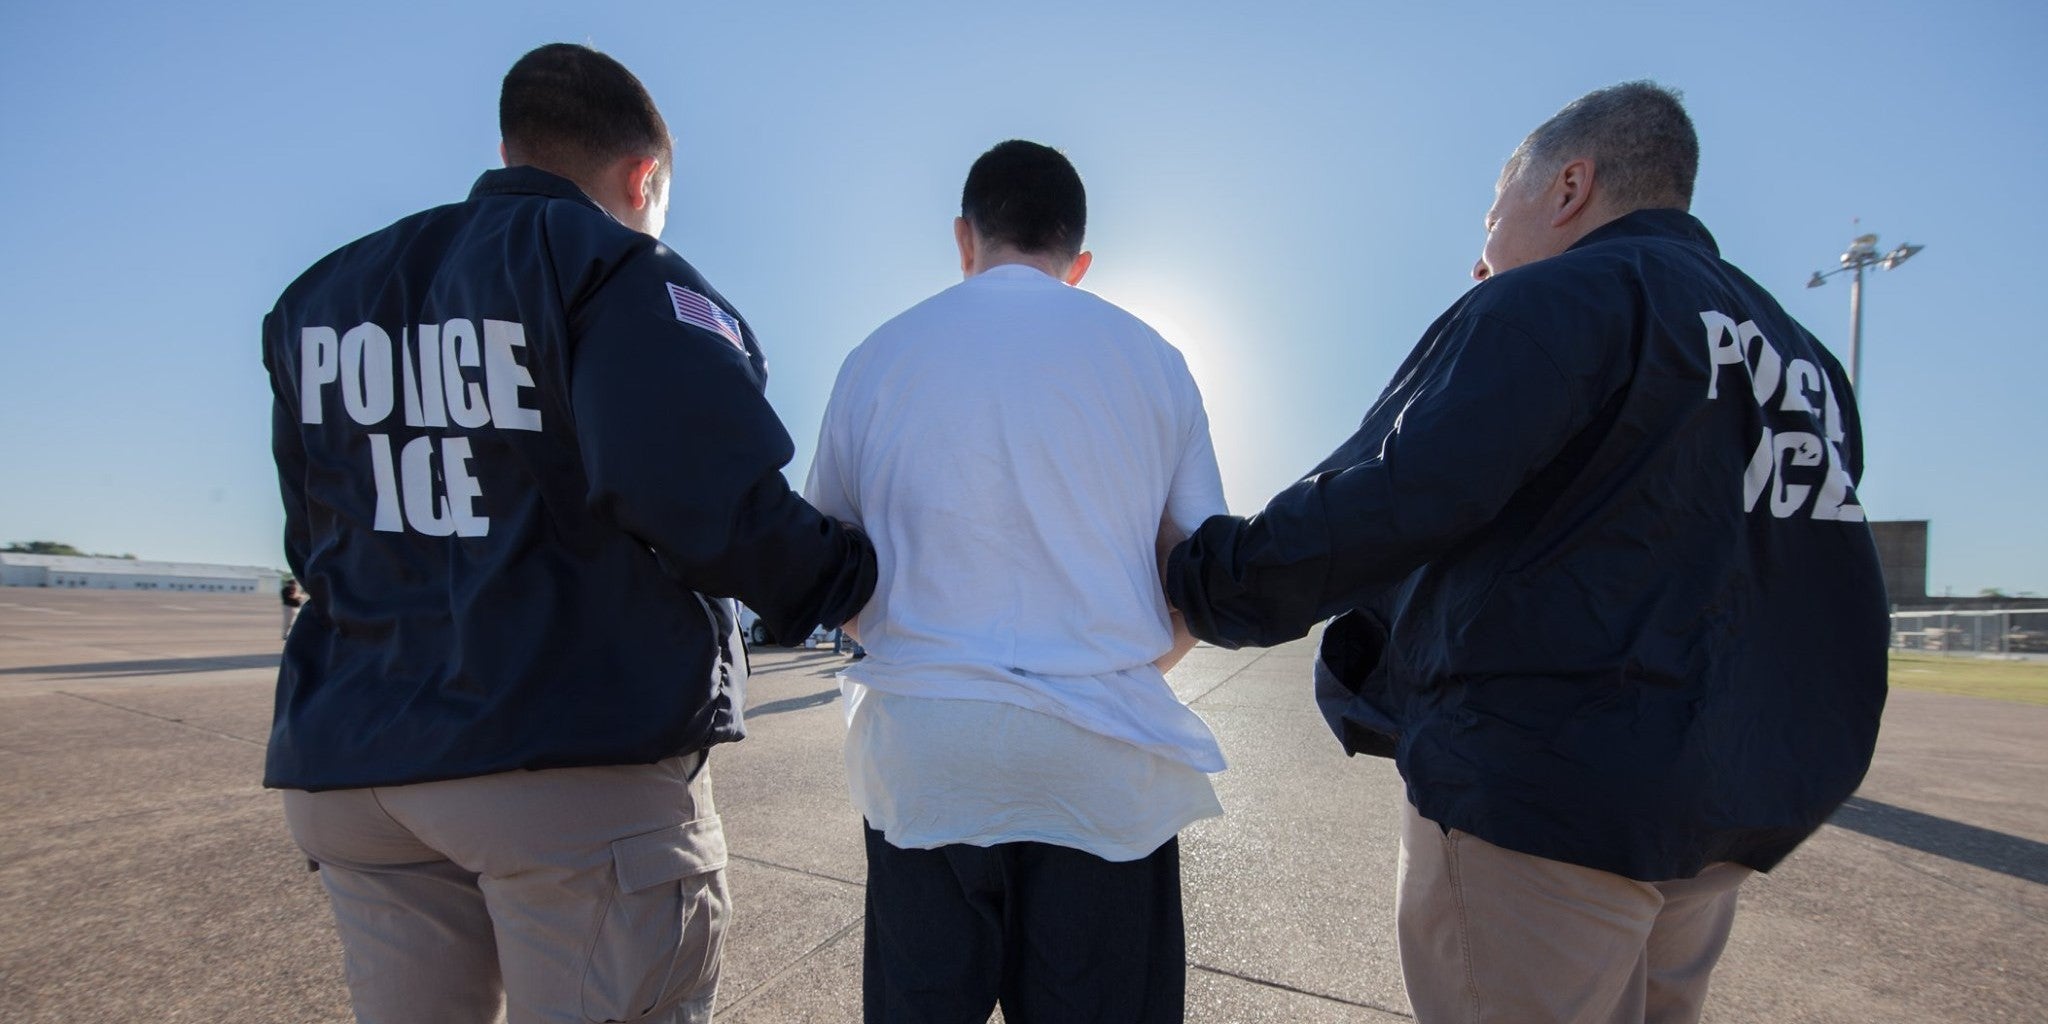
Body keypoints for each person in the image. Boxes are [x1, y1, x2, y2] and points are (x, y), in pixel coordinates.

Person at [1165, 82, 1888, 1024]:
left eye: (1494, 209)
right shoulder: (1804, 362)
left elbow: (1396, 493)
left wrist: (1205, 577)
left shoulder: (1561, 298)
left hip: (1552, 794)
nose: (1482, 250)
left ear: (1569, 186)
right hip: (1721, 808)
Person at [261, 43, 875, 1024]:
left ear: (508, 149)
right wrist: (850, 580)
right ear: (644, 177)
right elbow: (705, 500)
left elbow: (314, 540)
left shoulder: (320, 297)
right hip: (561, 762)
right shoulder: (610, 267)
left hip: (357, 766)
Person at [805, 139, 1227, 1023]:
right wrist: (1118, 664)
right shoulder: (1153, 359)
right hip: (1100, 763)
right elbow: (1194, 572)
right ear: (1078, 261)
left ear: (965, 237)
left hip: (926, 761)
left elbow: (831, 568)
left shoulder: (876, 358)